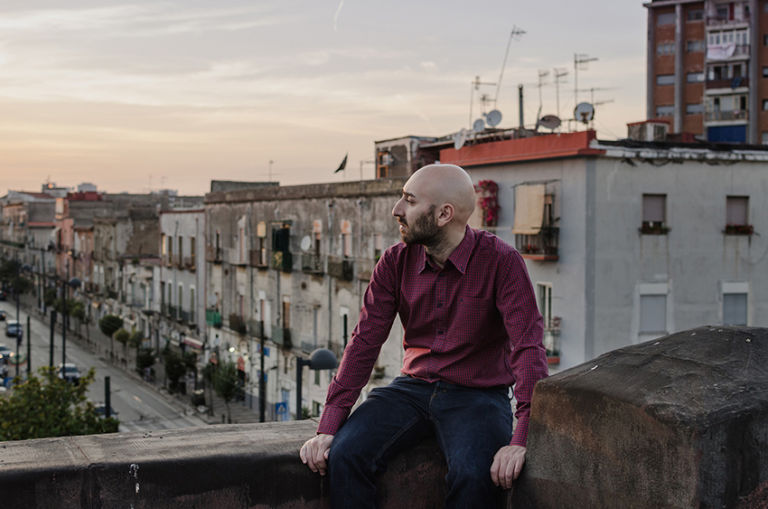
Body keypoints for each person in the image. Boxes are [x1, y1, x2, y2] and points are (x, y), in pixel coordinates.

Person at [300, 164, 548, 508]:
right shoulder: (394, 262)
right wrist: (328, 425)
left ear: (444, 214)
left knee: (476, 476)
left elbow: (528, 350)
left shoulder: (502, 263)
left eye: (409, 201)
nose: (396, 210)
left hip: (478, 395)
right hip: (411, 388)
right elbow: (364, 342)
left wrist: (522, 436)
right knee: (344, 455)